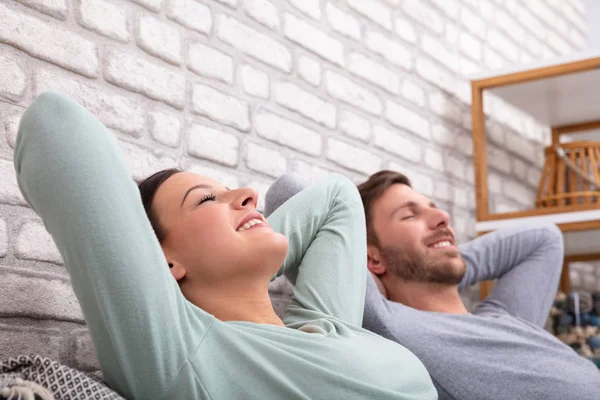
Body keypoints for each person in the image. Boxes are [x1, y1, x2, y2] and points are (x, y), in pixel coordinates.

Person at [13, 92, 438, 399]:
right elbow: (55, 125)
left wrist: (244, 250)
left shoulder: (326, 324)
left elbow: (338, 197)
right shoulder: (185, 355)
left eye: (232, 191)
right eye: (204, 199)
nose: (248, 194)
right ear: (163, 262)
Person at [266, 171, 600, 400]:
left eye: (434, 209)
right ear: (371, 260)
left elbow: (544, 238)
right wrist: (376, 277)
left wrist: (445, 259)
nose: (443, 218)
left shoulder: (505, 317)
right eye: (410, 216)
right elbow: (289, 190)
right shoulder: (388, 324)